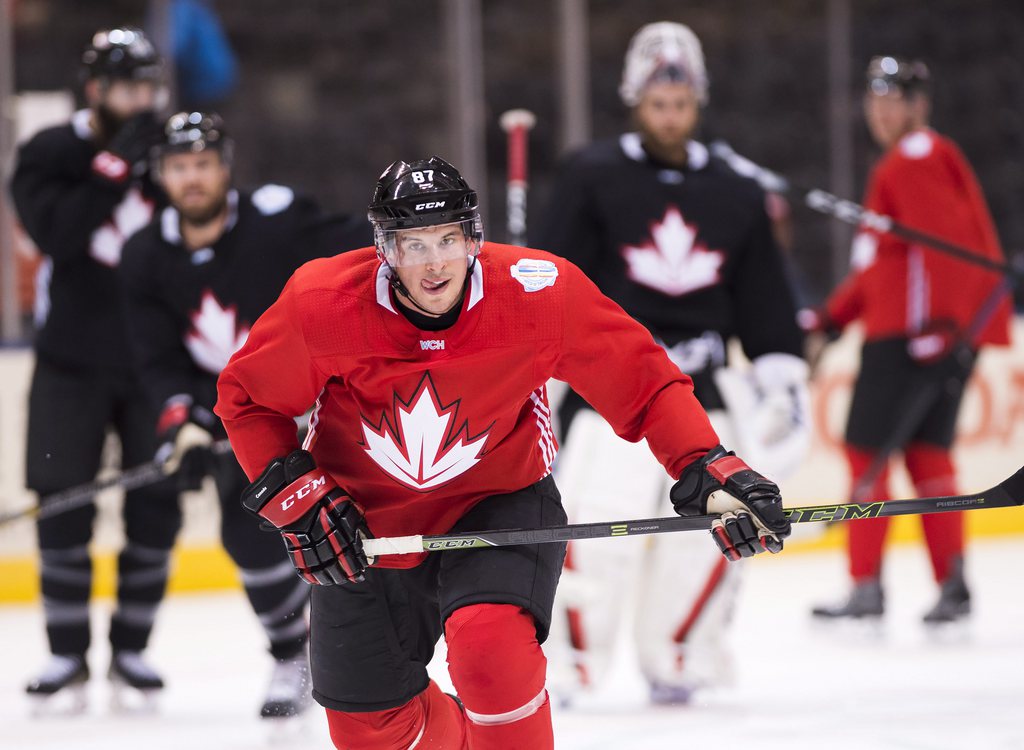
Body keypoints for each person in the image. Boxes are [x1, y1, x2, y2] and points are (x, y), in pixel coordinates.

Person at [214, 155, 792, 748]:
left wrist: (706, 464)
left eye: (447, 239)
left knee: (492, 653)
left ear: (472, 237)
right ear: (385, 249)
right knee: (370, 730)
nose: (435, 262)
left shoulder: (538, 291)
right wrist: (302, 501)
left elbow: (643, 381)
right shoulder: (323, 302)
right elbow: (246, 400)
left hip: (498, 503)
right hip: (365, 526)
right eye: (413, 244)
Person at [533, 21, 808, 705]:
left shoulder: (736, 189)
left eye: (681, 102)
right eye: (657, 101)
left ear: (698, 101)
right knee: (595, 529)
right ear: (634, 98)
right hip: (612, 391)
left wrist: (781, 372)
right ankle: (574, 664)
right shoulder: (591, 175)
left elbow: (763, 294)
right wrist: (533, 361)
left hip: (704, 388)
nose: (669, 114)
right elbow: (551, 276)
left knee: (711, 532)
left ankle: (683, 654)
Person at [119, 110, 371, 717]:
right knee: (246, 534)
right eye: (179, 167)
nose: (193, 178)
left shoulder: (277, 221)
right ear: (162, 177)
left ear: (225, 167)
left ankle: (361, 642)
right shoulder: (144, 254)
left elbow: (368, 257)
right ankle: (294, 653)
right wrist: (180, 417)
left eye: (203, 164)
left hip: (307, 391)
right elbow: (155, 355)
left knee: (340, 518)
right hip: (229, 405)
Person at [809, 57, 1012, 624]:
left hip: (913, 339)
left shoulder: (915, 155)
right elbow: (885, 268)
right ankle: (952, 585)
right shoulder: (905, 162)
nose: (881, 110)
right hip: (929, 334)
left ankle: (866, 586)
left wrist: (939, 332)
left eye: (894, 98)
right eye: (875, 99)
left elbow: (943, 248)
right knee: (927, 456)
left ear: (919, 106)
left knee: (866, 453)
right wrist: (831, 317)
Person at [9, 27, 177, 708]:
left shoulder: (175, 147)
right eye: (126, 88)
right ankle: (66, 656)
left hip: (154, 361)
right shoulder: (50, 151)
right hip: (71, 359)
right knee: (61, 504)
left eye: (147, 88)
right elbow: (56, 235)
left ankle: (131, 651)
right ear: (95, 90)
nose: (140, 102)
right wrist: (112, 170)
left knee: (156, 507)